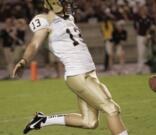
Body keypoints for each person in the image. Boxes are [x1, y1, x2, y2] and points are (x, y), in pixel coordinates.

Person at [12, 1, 128, 135]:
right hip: (78, 74)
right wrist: (23, 61)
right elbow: (34, 44)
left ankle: (42, 120)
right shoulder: (43, 20)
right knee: (111, 109)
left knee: (89, 122)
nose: (66, 3)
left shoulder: (68, 18)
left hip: (89, 73)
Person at [133, 5, 156, 74]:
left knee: (150, 53)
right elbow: (135, 27)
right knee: (141, 53)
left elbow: (153, 27)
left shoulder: (150, 18)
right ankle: (140, 69)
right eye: (142, 10)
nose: (143, 11)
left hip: (149, 37)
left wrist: (147, 35)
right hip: (140, 37)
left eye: (145, 9)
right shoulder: (137, 18)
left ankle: (152, 69)